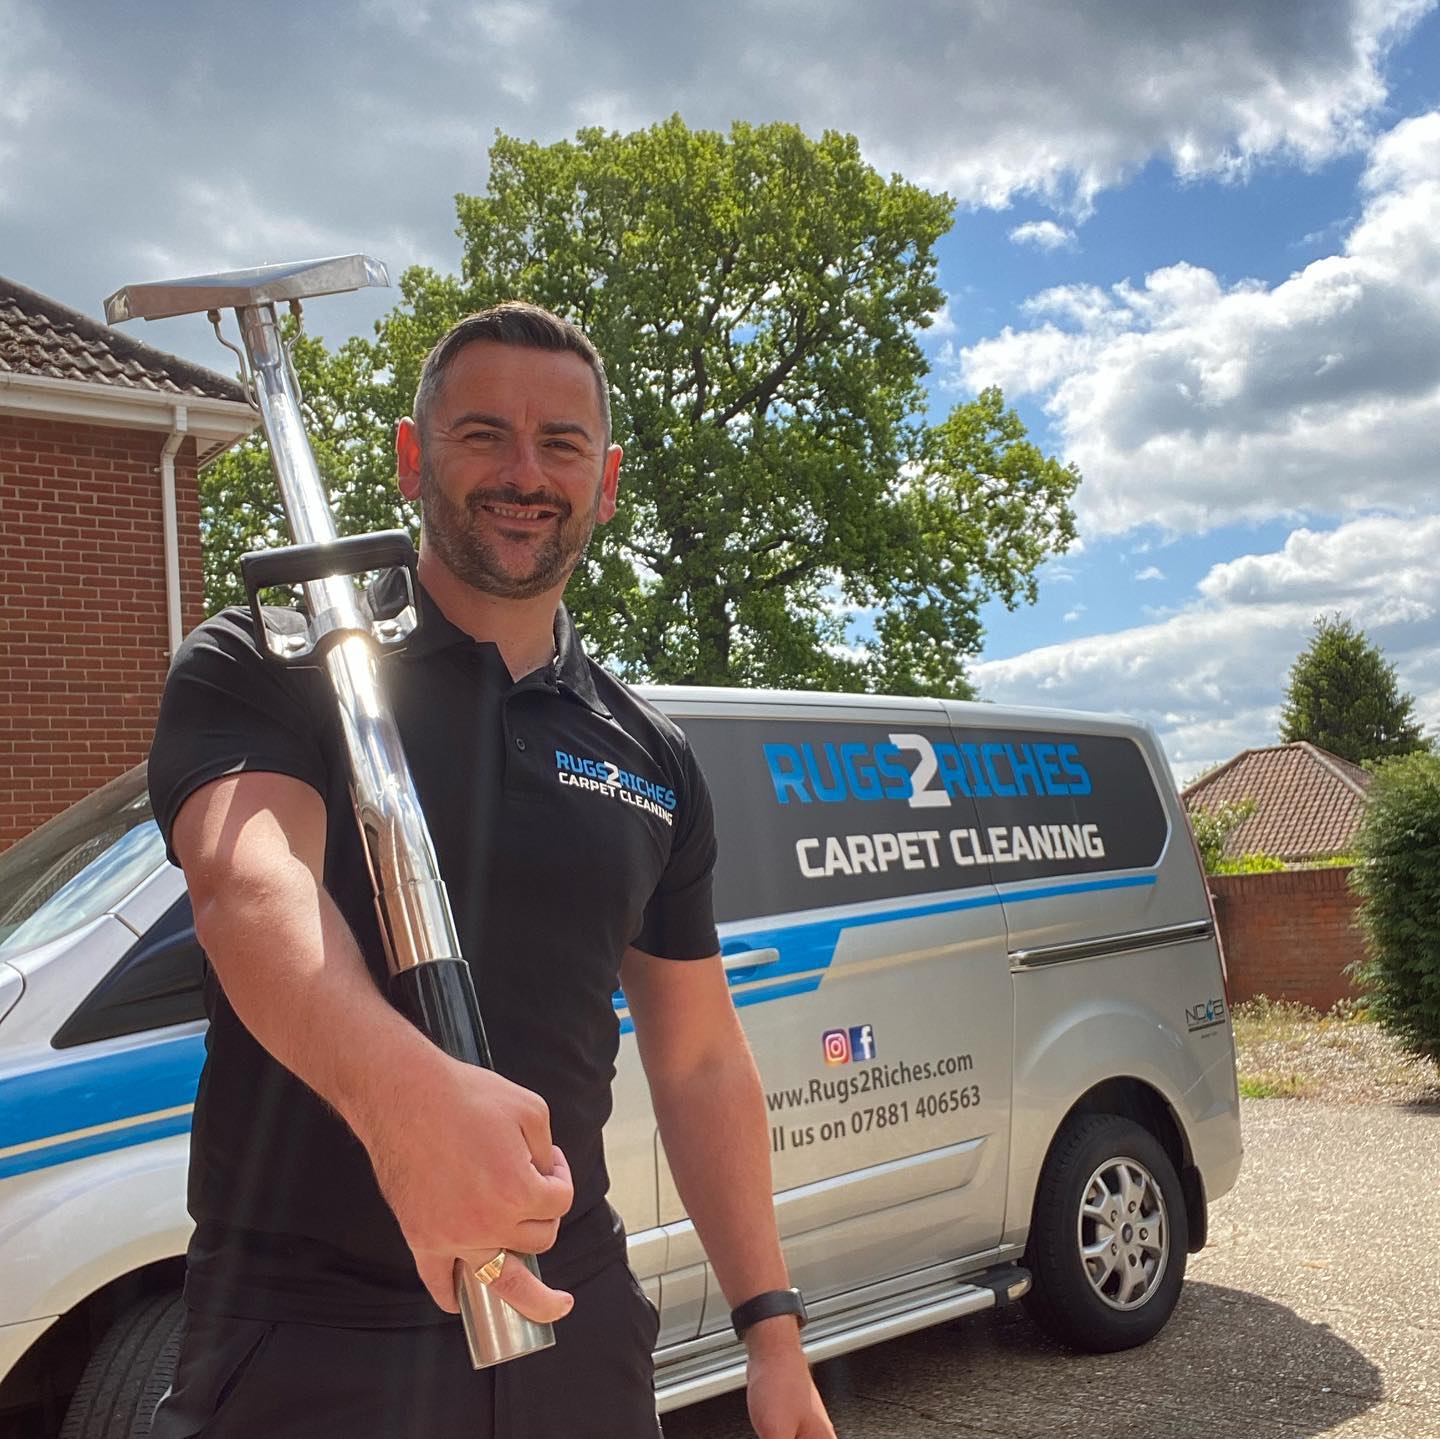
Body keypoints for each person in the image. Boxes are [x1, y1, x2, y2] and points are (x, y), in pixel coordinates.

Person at [146, 302, 836, 1439]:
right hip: (308, 1336)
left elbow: (703, 1057)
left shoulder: (650, 754)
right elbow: (250, 886)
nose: (525, 472)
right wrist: (404, 1098)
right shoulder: (272, 663)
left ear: (604, 480)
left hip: (575, 1322)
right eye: (484, 434)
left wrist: (771, 1327)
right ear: (414, 456)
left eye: (559, 443)